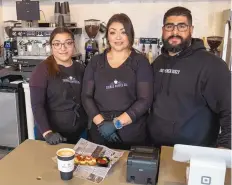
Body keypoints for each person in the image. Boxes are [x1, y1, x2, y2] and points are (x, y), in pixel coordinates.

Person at [147, 7, 231, 149]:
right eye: (169, 26)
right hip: (156, 150)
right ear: (163, 30)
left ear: (191, 30)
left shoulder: (212, 65)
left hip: (195, 154)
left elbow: (229, 110)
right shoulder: (158, 62)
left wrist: (224, 147)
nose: (175, 32)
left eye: (182, 26)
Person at [82, 13, 153, 149]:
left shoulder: (140, 62)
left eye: (123, 32)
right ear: (107, 36)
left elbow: (145, 100)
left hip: (131, 132)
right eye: (113, 32)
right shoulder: (95, 62)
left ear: (130, 35)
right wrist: (101, 124)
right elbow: (86, 96)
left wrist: (116, 124)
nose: (118, 37)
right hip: (99, 131)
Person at [29, 27, 87, 145]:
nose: (63, 48)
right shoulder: (41, 70)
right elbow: (37, 106)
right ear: (51, 46)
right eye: (57, 44)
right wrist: (48, 133)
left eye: (68, 43)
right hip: (52, 136)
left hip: (78, 134)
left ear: (73, 44)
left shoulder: (80, 68)